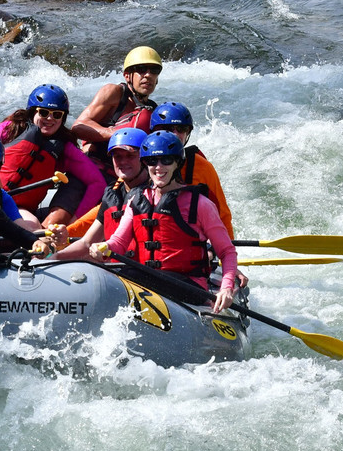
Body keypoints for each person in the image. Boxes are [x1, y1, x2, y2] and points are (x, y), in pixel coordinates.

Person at [82, 131, 239, 314]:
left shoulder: (201, 205)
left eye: (166, 161)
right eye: (152, 161)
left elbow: (227, 252)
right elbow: (119, 242)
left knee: (127, 275)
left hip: (188, 286)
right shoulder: (136, 200)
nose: (158, 167)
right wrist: (103, 247)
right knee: (108, 274)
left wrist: (226, 287)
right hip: (148, 281)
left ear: (177, 163)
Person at [0, 84, 106, 228]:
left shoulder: (65, 149)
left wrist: (75, 222)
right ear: (33, 112)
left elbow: (97, 182)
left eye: (57, 114)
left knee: (34, 229)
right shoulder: (11, 128)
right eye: (44, 112)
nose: (50, 118)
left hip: (18, 208)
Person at [71, 46, 161, 178]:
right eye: (141, 69)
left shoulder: (152, 110)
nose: (148, 75)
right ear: (127, 76)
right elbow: (78, 126)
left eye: (154, 70)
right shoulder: (114, 93)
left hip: (126, 173)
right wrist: (115, 133)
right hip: (96, 166)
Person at [148, 101, 234, 238]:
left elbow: (222, 215)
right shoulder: (143, 162)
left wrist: (227, 252)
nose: (175, 134)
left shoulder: (203, 167)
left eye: (181, 129)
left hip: (189, 242)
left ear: (188, 132)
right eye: (168, 128)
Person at [62, 126, 149, 244]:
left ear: (145, 158)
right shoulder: (115, 193)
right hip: (114, 256)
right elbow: (86, 237)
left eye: (130, 155)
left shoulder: (157, 194)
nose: (123, 162)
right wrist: (61, 237)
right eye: (118, 156)